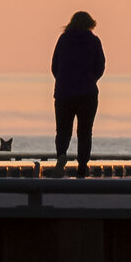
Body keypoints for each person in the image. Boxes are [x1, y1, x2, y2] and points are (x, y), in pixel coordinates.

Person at [50, 11, 105, 176]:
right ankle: (82, 165)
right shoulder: (94, 41)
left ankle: (61, 155)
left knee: (63, 129)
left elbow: (55, 65)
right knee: (85, 131)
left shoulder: (63, 39)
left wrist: (63, 80)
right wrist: (90, 80)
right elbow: (100, 66)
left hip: (63, 93)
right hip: (87, 93)